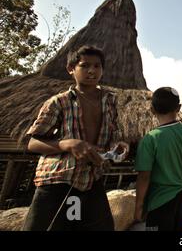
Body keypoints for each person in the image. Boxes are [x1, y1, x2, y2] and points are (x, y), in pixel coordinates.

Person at [22, 45, 129, 231]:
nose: (92, 71)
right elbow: (32, 143)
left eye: (97, 66)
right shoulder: (59, 102)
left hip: (91, 178)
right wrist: (66, 144)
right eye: (84, 65)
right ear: (71, 69)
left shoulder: (110, 102)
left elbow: (112, 135)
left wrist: (117, 145)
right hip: (58, 179)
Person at [134, 87, 182, 231]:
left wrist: (139, 206)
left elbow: (144, 176)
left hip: (159, 200)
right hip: (181, 196)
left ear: (152, 109)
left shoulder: (150, 139)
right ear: (179, 108)